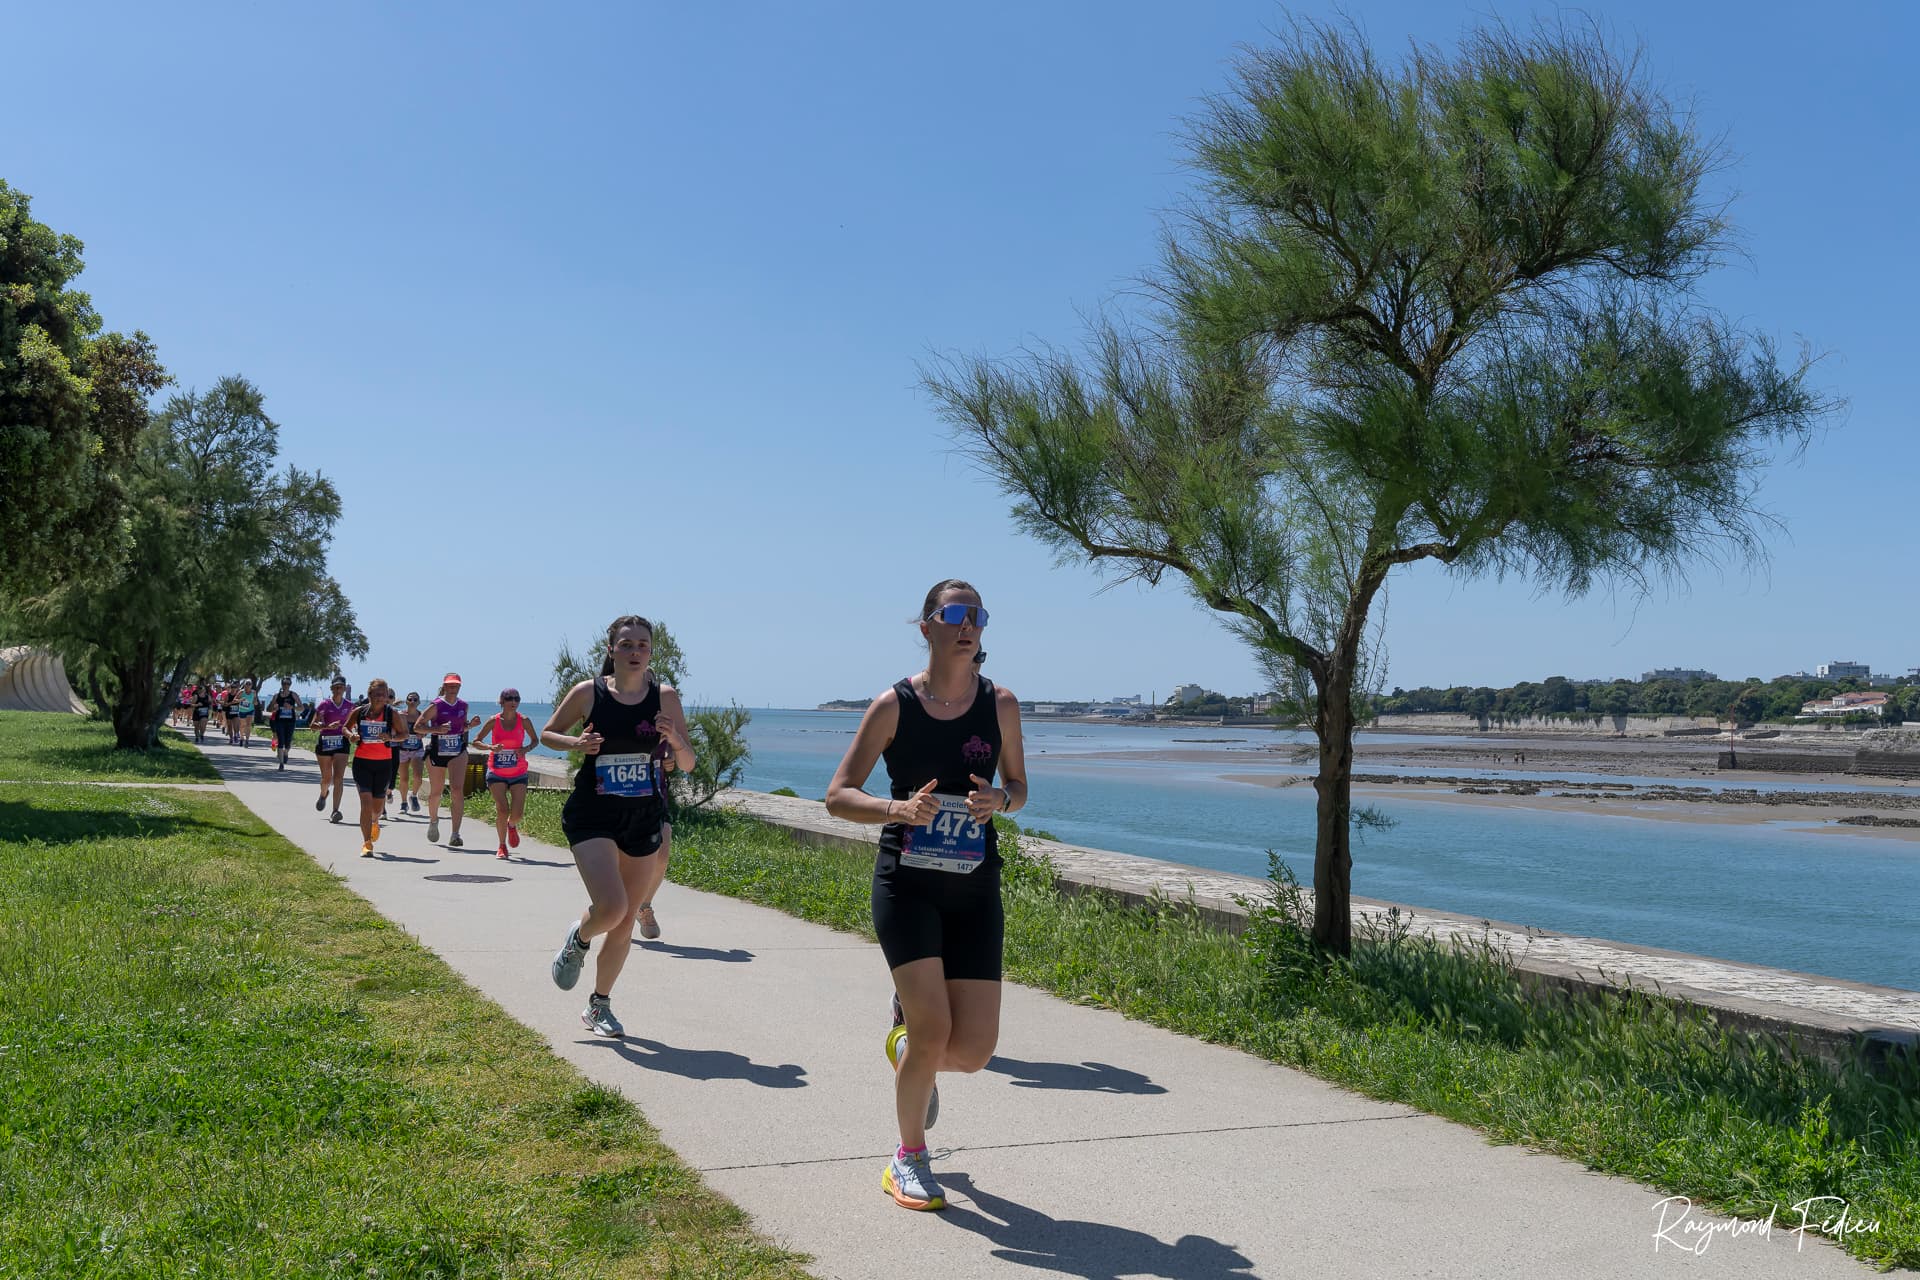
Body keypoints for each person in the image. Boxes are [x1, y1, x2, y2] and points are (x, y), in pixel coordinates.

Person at [825, 579, 1028, 1213]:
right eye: (956, 614)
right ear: (928, 626)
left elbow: (1019, 786)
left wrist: (1002, 800)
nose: (970, 625)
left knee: (971, 1051)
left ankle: (905, 1040)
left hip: (973, 886)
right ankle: (907, 1159)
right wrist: (897, 808)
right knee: (935, 1027)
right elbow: (838, 795)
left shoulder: (1002, 705)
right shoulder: (894, 705)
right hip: (907, 884)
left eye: (979, 616)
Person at [542, 616, 695, 1039]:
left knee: (626, 920)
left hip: (643, 815)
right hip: (593, 812)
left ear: (651, 652)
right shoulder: (589, 693)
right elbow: (547, 733)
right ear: (612, 650)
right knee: (611, 909)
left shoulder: (665, 697)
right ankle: (579, 937)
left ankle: (599, 1006)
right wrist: (577, 743)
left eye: (642, 645)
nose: (634, 651)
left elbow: (687, 762)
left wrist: (675, 742)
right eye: (626, 644)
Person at [343, 679, 404, 857]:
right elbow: (345, 728)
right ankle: (366, 843)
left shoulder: (391, 714)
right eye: (377, 695)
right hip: (362, 763)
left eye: (383, 695)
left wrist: (390, 737)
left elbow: (404, 734)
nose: (380, 698)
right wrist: (351, 736)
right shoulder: (359, 712)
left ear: (387, 697)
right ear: (370, 695)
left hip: (384, 764)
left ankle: (375, 822)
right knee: (366, 804)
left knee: (377, 809)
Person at [474, 687, 535, 860]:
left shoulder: (524, 721)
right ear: (502, 701)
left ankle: (512, 825)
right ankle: (502, 846)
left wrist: (526, 749)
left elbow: (535, 740)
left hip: (518, 772)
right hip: (497, 771)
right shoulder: (493, 721)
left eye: (517, 698)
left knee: (517, 813)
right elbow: (476, 741)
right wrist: (490, 747)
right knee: (502, 809)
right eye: (509, 698)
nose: (513, 702)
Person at [420, 674, 481, 846]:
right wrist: (437, 729)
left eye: (456, 685)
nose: (453, 688)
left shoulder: (463, 705)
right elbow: (418, 726)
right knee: (436, 792)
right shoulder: (436, 706)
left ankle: (455, 834)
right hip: (437, 751)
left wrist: (471, 725)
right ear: (444, 686)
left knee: (456, 789)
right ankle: (433, 821)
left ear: (460, 687)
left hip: (457, 751)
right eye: (450, 685)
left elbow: (460, 728)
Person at [312, 676, 353, 821]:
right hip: (325, 741)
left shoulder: (349, 706)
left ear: (345, 688)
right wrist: (326, 727)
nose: (338, 689)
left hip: (341, 742)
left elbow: (352, 725)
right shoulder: (324, 705)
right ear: (331, 688)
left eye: (341, 687)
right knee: (326, 778)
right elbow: (312, 725)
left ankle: (335, 811)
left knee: (338, 778)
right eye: (336, 687)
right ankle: (323, 794)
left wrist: (354, 734)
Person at [393, 692, 428, 815]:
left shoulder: (422, 716)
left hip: (417, 749)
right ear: (407, 701)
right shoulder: (401, 715)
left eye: (415, 699)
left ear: (419, 702)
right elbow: (395, 730)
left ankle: (413, 795)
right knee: (404, 778)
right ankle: (403, 803)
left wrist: (422, 733)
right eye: (410, 699)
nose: (412, 701)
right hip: (402, 749)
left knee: (418, 776)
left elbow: (426, 730)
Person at [267, 677, 302, 770]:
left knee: (288, 741)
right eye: (284, 684)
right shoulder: (276, 696)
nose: (286, 685)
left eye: (288, 684)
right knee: (280, 741)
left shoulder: (293, 695)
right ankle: (281, 763)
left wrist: (292, 707)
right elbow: (268, 709)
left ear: (290, 685)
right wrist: (274, 708)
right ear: (281, 685)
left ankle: (286, 753)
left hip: (290, 721)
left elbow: (301, 708)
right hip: (279, 721)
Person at [229, 679, 257, 747]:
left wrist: (255, 702)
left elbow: (255, 700)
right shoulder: (241, 692)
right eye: (246, 684)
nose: (248, 685)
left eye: (249, 684)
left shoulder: (254, 692)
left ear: (251, 685)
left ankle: (247, 740)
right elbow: (234, 700)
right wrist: (240, 700)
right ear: (244, 685)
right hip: (242, 711)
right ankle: (241, 738)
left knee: (248, 724)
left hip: (250, 710)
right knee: (242, 725)